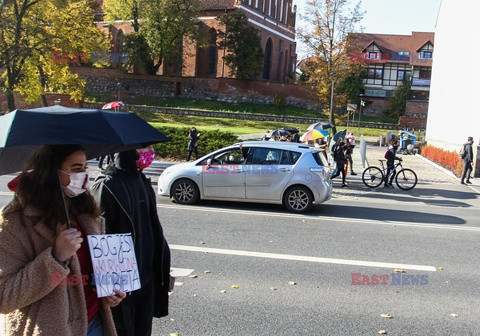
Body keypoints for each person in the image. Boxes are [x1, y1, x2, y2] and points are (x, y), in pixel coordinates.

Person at [0, 145, 123, 336]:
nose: (83, 176)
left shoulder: (86, 213)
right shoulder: (15, 222)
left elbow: (90, 275)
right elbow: (4, 296)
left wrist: (108, 291)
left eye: (84, 168)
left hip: (94, 323)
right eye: (76, 169)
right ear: (50, 172)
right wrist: (56, 258)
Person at [91, 145, 171, 336]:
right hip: (123, 283)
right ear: (127, 149)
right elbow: (100, 236)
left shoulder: (142, 180)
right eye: (144, 147)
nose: (150, 151)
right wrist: (109, 285)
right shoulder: (108, 185)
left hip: (148, 276)